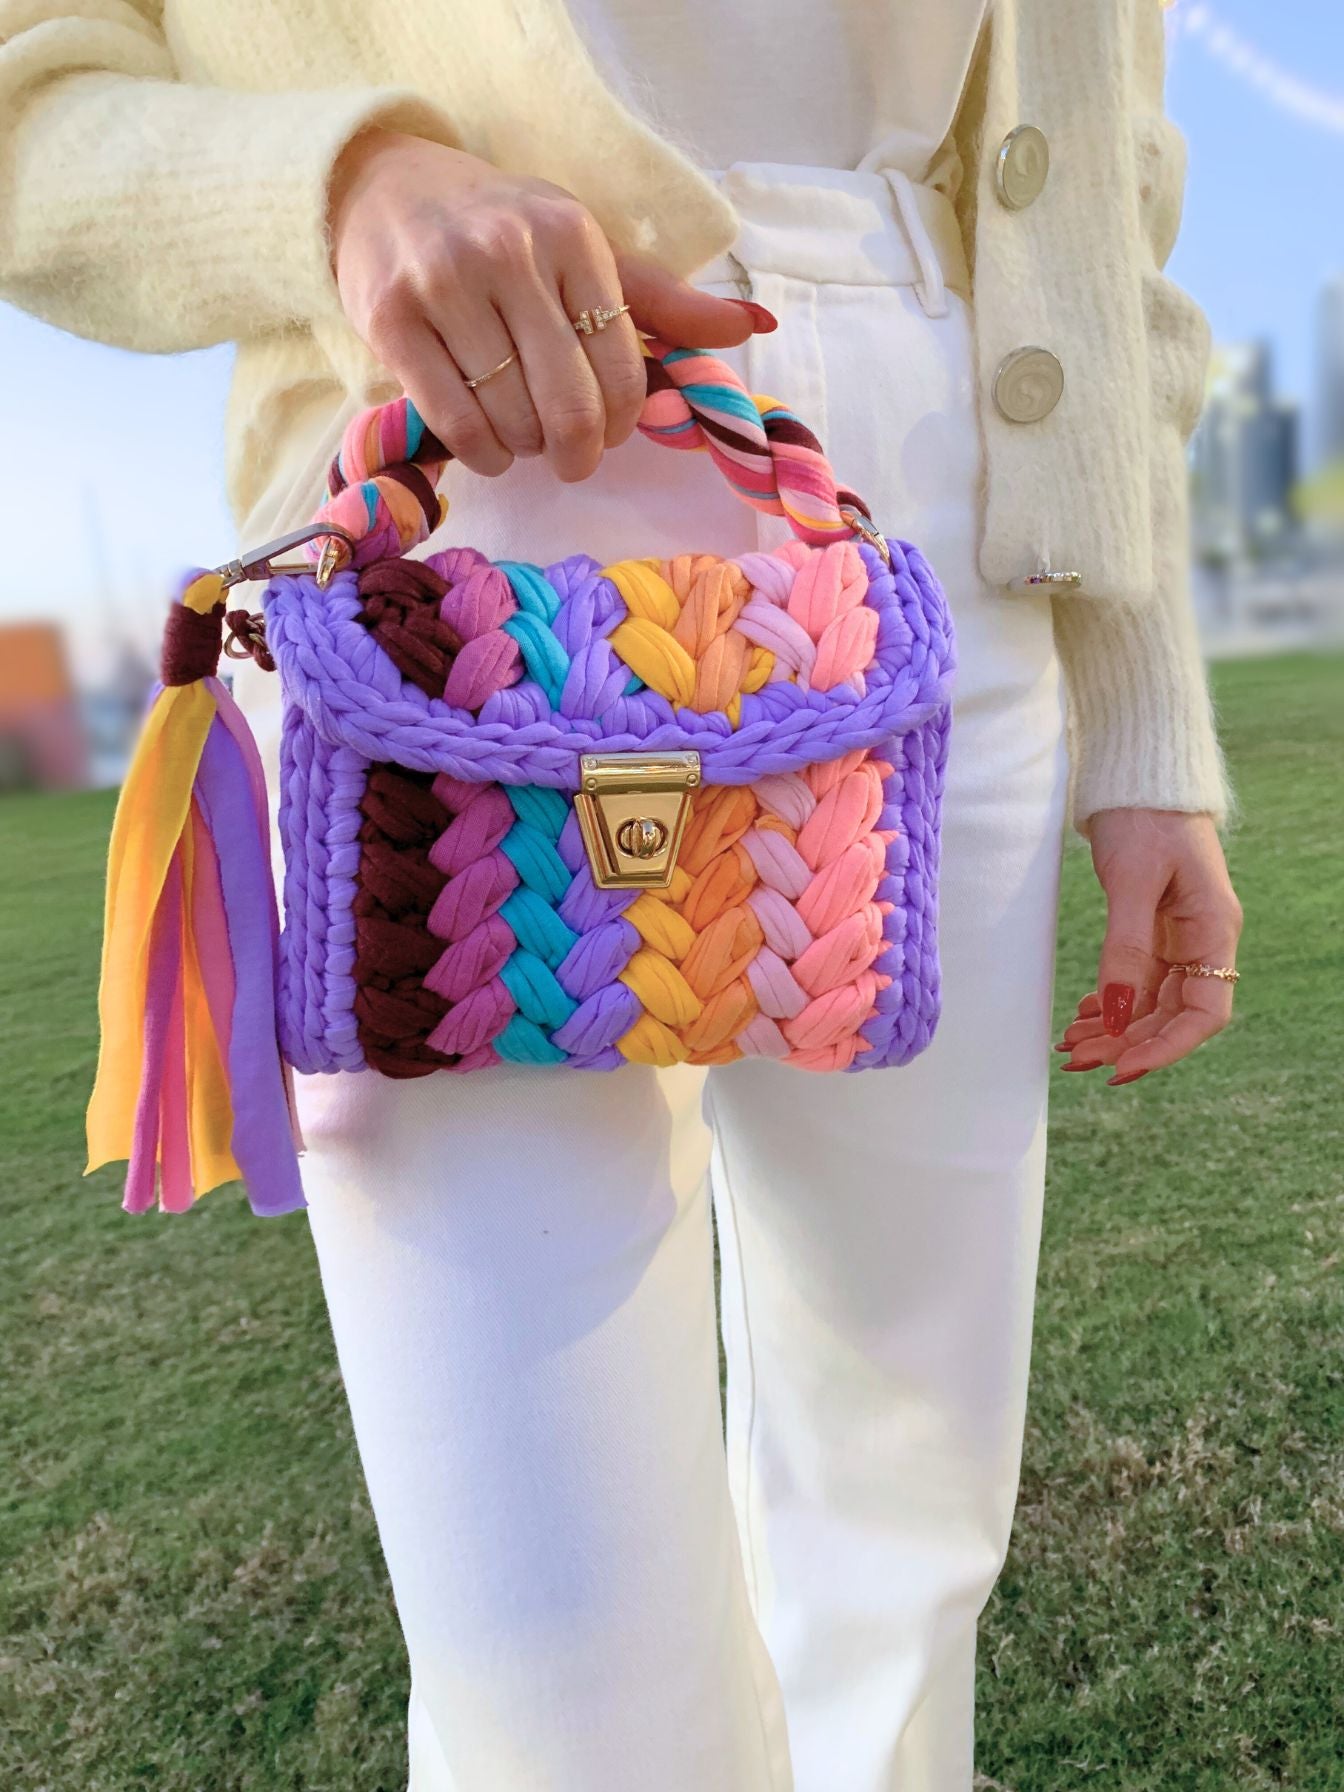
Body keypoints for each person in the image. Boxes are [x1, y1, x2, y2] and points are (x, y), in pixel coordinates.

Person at [1, 2, 1245, 1787]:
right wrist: (347, 180)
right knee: (554, 1673)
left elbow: (1113, 199)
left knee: (905, 1528)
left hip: (927, 538)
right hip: (430, 543)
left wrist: (1142, 713)